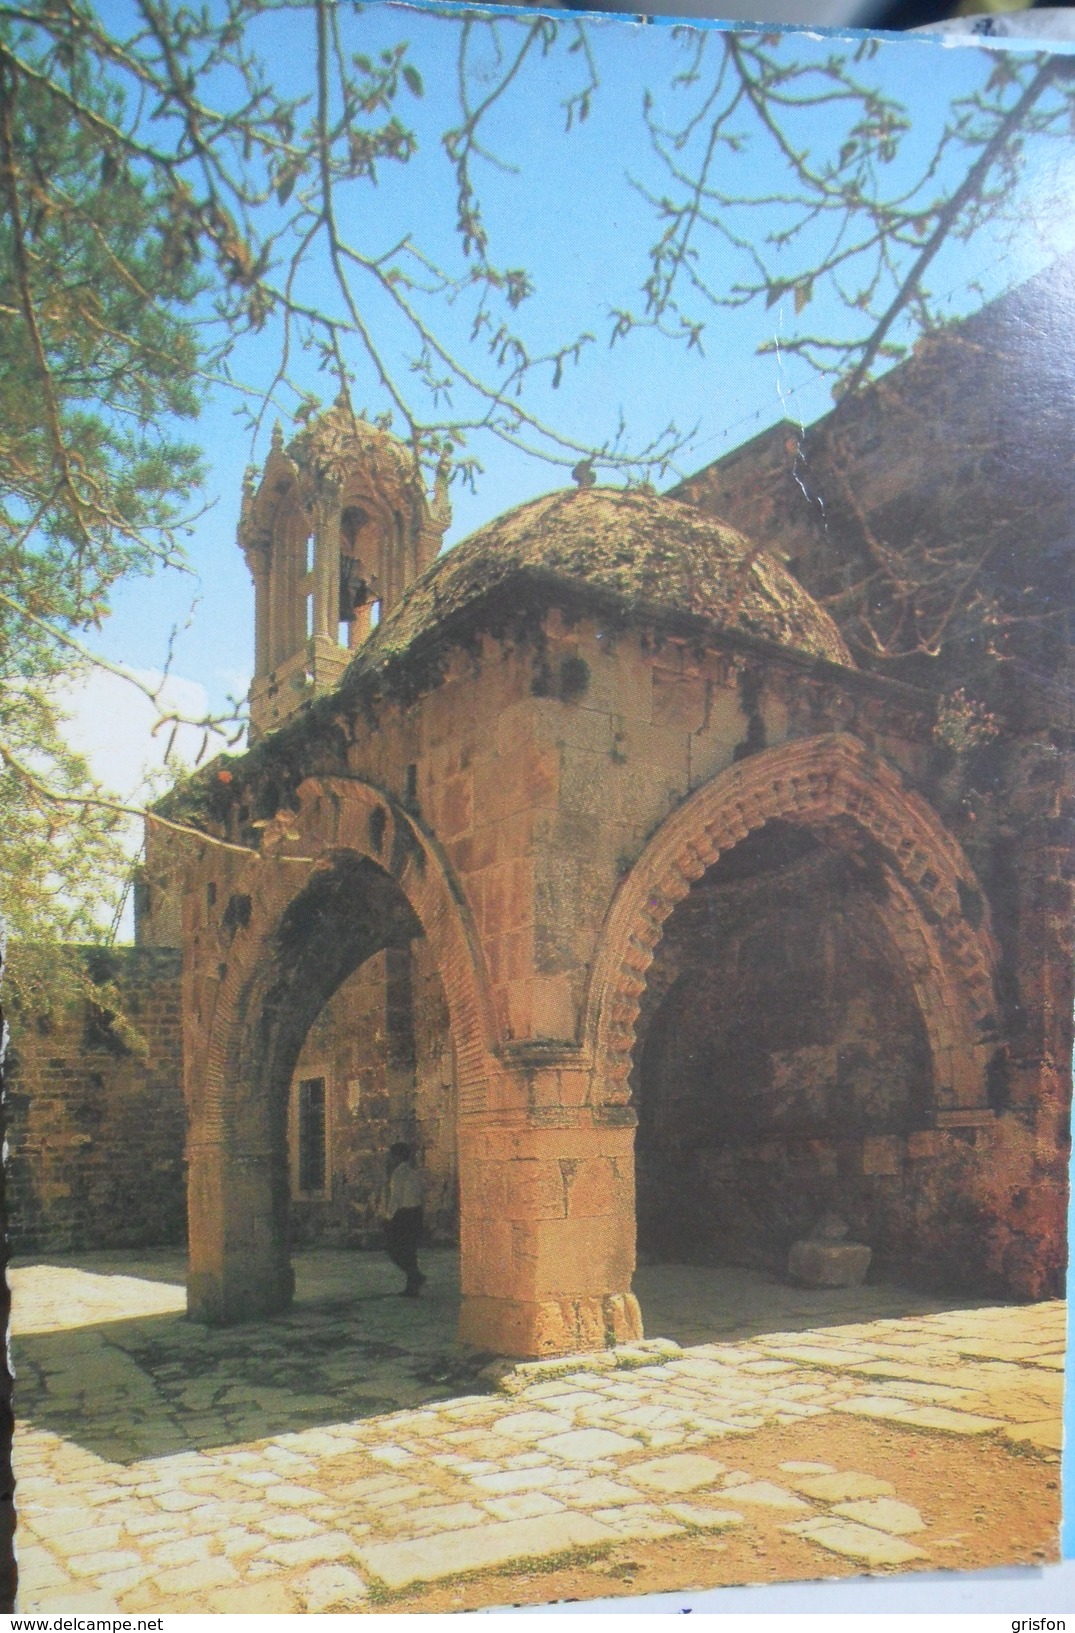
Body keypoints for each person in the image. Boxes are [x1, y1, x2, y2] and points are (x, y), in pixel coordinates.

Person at [383, 1142, 426, 1297]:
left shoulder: (399, 1174)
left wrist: (388, 1217)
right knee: (410, 1250)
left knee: (395, 1248)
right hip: (416, 1212)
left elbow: (396, 1197)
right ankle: (412, 1285)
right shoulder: (414, 1172)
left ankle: (414, 1276)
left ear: (398, 1156)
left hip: (404, 1214)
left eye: (392, 1155)